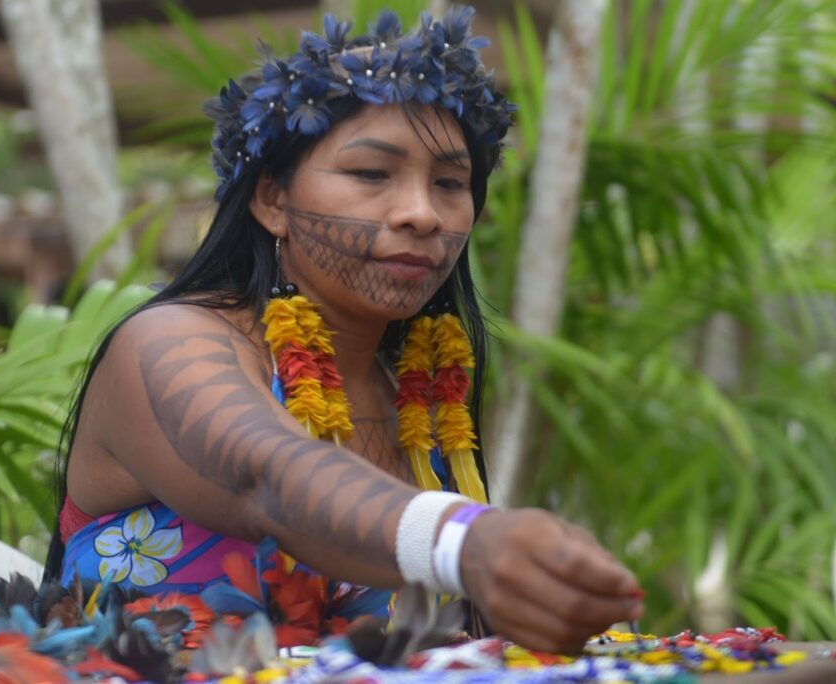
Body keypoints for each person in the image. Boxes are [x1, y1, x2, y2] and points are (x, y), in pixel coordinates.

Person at [44, 5, 644, 653]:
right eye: (370, 174)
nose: (422, 213)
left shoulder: (423, 400)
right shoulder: (167, 346)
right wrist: (468, 541)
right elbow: (267, 478)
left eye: (450, 182)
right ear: (272, 200)